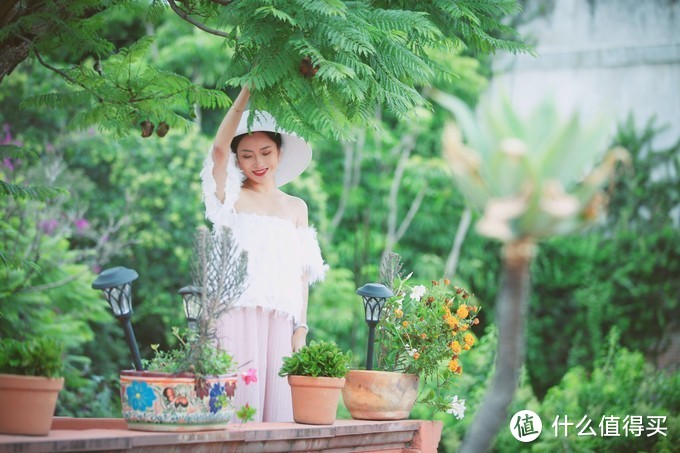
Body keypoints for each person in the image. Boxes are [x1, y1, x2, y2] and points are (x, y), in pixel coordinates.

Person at [200, 85, 327, 422]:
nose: (258, 162)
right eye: (247, 155)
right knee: (235, 414)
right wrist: (248, 89)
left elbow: (302, 275)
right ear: (238, 160)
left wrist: (301, 328)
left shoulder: (297, 207)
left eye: (266, 152)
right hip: (234, 315)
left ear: (279, 153)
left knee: (279, 417)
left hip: (281, 323)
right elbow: (217, 150)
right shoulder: (230, 197)